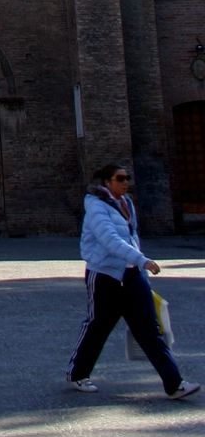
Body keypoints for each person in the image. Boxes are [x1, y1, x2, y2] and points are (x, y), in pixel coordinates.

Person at [65, 162, 199, 399]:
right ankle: (77, 374)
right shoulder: (96, 206)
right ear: (107, 182)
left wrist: (140, 269)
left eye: (127, 178)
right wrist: (142, 260)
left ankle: (174, 384)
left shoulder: (126, 203)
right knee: (98, 326)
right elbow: (109, 239)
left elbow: (132, 237)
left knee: (149, 330)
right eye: (120, 178)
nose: (126, 182)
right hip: (105, 275)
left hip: (133, 275)